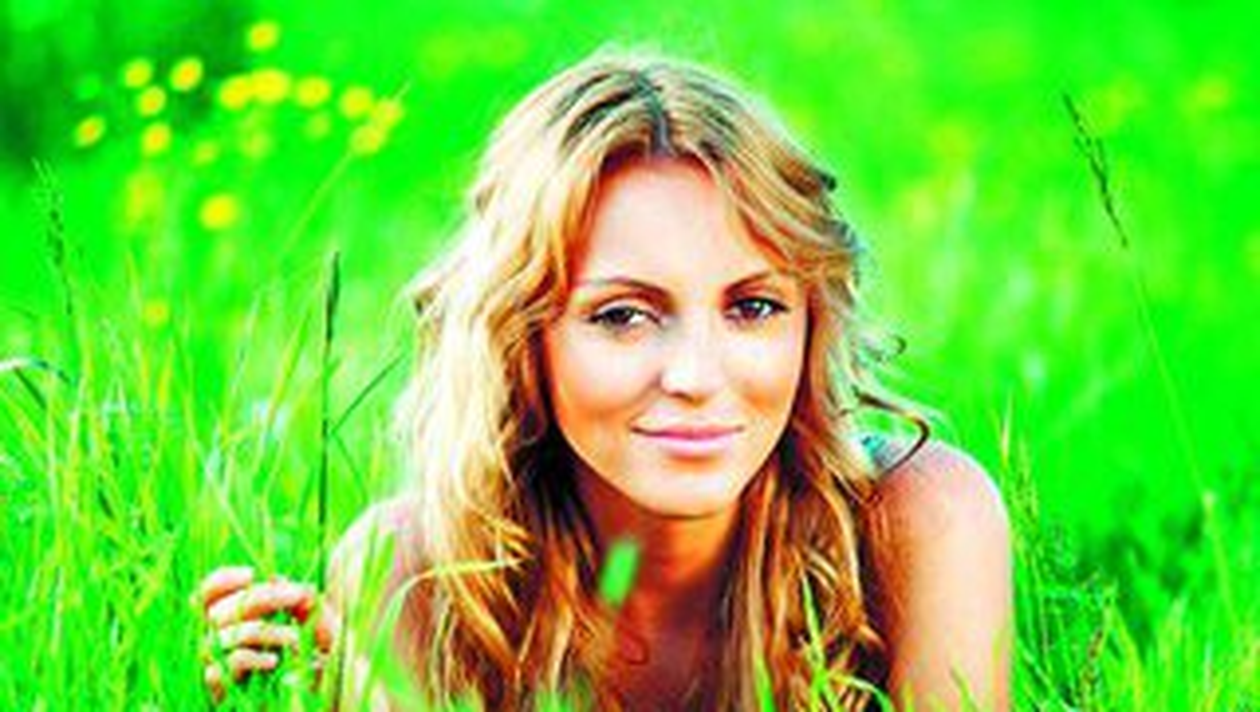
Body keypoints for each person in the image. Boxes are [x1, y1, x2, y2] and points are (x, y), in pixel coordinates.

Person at [195, 49, 1011, 711]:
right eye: (623, 316)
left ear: (811, 323)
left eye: (753, 306)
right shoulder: (415, 574)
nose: (696, 376)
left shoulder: (917, 525)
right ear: (522, 338)